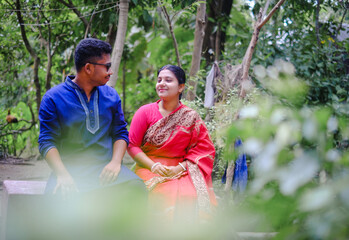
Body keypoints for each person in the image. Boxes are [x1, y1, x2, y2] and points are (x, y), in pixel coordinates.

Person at [38, 38, 144, 198]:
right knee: (60, 204)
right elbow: (46, 141)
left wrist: (115, 163)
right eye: (107, 66)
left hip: (106, 170)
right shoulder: (53, 98)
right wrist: (62, 174)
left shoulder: (111, 96)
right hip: (70, 170)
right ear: (88, 68)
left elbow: (121, 133)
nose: (111, 72)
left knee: (137, 189)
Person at [127, 65, 217, 220]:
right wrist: (153, 166)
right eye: (159, 80)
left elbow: (204, 149)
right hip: (149, 166)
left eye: (168, 80)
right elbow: (132, 145)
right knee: (160, 192)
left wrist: (179, 168)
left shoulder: (191, 117)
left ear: (180, 87)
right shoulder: (145, 112)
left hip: (181, 169)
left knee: (191, 195)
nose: (161, 83)